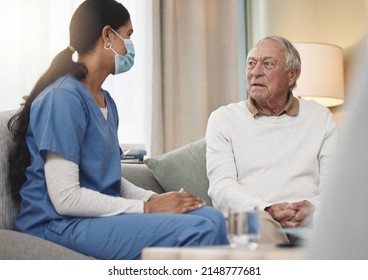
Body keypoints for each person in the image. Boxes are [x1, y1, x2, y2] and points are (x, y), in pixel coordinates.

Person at [7, 0, 228, 260]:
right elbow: (65, 198)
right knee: (198, 229)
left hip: (90, 218)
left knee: (212, 217)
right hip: (58, 223)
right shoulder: (62, 98)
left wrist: (154, 198)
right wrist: (146, 208)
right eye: (128, 35)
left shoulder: (106, 101)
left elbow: (106, 178)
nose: (130, 45)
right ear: (107, 35)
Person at [205, 35, 338, 244]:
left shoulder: (320, 117)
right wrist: (265, 210)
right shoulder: (223, 118)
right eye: (251, 63)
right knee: (249, 225)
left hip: (309, 218)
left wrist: (312, 208)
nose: (255, 72)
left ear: (291, 75)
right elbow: (221, 187)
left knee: (344, 222)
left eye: (267, 64)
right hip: (249, 216)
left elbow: (336, 186)